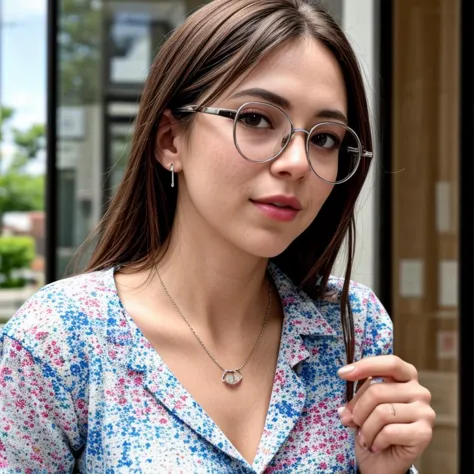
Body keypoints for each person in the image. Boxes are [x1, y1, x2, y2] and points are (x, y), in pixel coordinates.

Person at [0, 0, 435, 472]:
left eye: (325, 138)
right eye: (256, 119)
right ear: (170, 140)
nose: (295, 162)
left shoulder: (351, 328)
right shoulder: (60, 340)